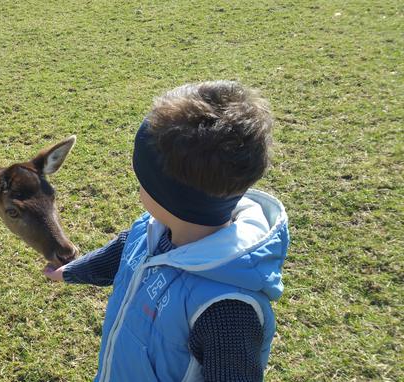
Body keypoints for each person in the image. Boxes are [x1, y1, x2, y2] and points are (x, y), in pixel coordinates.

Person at [44, 81, 290, 381]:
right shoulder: (152, 230)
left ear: (169, 195)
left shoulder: (226, 311)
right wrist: (71, 270)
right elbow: (123, 251)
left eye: (141, 180)